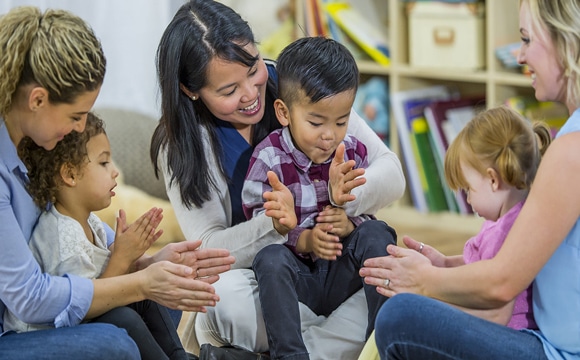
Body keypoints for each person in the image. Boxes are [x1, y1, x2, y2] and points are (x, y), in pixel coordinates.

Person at [150, 0, 405, 358]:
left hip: (334, 264)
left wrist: (345, 198)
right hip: (266, 275)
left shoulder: (294, 84)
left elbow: (391, 172)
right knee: (225, 299)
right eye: (228, 91)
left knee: (396, 275)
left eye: (253, 68)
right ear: (191, 90)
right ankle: (344, 347)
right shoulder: (180, 144)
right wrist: (274, 226)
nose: (252, 94)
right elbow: (209, 249)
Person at [0, 6, 234, 360]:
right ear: (37, 100)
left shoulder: (35, 146)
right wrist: (137, 282)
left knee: (159, 298)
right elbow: (30, 298)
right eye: (75, 116)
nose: (79, 129)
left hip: (44, 312)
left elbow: (84, 251)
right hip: (14, 328)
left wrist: (150, 266)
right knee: (115, 344)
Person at [360, 0, 580, 358]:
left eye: (527, 40)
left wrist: (423, 281)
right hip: (551, 340)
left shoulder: (572, 151)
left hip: (557, 351)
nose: (520, 56)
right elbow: (518, 256)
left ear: (565, 41)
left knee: (400, 317)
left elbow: (501, 284)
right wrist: (446, 266)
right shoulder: (568, 141)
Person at [241, 37, 397, 360]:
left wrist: (349, 216)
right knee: (269, 260)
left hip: (341, 272)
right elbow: (256, 229)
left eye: (341, 121)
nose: (330, 135)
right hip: (301, 277)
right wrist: (300, 237)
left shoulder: (353, 150)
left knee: (378, 233)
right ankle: (291, 355)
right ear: (284, 113)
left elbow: (367, 213)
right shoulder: (268, 158)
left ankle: (380, 344)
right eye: (316, 122)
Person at [6, 112, 189, 360]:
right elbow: (84, 311)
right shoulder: (62, 237)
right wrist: (122, 260)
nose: (115, 172)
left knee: (153, 299)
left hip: (81, 318)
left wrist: (147, 259)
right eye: (104, 163)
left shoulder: (89, 220)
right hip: (48, 332)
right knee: (123, 317)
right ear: (70, 175)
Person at [406, 106, 551, 330]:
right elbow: (483, 266)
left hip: (506, 335)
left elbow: (495, 315)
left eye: (467, 189)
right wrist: (445, 263)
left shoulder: (504, 233)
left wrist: (433, 298)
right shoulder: (517, 217)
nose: (469, 200)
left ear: (493, 180)